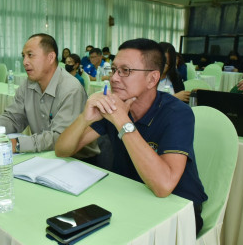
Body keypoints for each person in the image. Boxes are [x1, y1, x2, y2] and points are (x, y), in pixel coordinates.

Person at [55, 38, 208, 235]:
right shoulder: (115, 106)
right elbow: (62, 150)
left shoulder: (177, 113)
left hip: (178, 211)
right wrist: (85, 118)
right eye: (114, 70)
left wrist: (122, 122)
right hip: (130, 196)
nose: (115, 78)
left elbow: (163, 186)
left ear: (152, 79)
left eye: (125, 71)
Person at [0, 33, 97, 158]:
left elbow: (59, 138)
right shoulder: (28, 84)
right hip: (44, 155)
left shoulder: (71, 89)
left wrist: (17, 144)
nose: (25, 62)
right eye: (23, 56)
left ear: (51, 57)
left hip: (77, 161)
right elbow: (13, 117)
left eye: (30, 55)